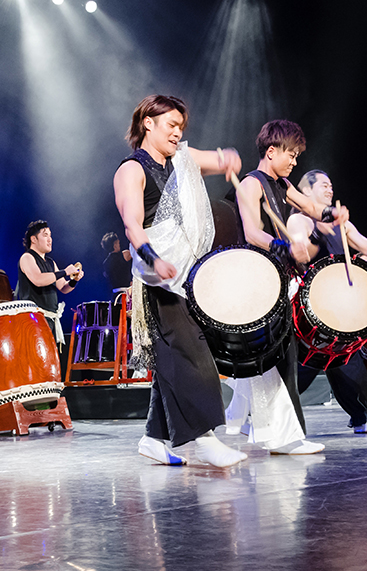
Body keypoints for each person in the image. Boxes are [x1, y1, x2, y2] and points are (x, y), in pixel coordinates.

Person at [113, 94, 246, 468]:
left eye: (181, 128)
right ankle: (205, 438)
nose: (177, 133)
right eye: (171, 125)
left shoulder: (181, 161)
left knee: (173, 357)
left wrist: (227, 159)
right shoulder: (131, 170)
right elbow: (133, 225)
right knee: (189, 352)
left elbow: (216, 159)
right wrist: (153, 258)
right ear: (148, 124)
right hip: (157, 278)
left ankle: (154, 439)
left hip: (187, 275)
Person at [229, 119, 348, 455]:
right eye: (291, 154)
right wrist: (285, 248)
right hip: (258, 276)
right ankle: (282, 437)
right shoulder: (251, 185)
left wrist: (330, 213)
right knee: (277, 357)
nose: (295, 161)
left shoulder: (281, 184)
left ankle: (253, 422)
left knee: (278, 356)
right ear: (271, 151)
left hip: (277, 277)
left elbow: (310, 207)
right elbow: (253, 233)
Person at [286, 169, 367, 433]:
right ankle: (268, 417)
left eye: (331, 185)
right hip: (310, 305)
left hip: (338, 303)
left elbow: (366, 245)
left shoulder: (341, 224)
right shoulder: (300, 220)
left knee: (345, 354)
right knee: (308, 361)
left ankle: (362, 418)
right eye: (323, 185)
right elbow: (299, 253)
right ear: (306, 191)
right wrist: (317, 234)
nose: (329, 189)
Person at [14, 220, 83, 343]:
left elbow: (63, 287)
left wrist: (74, 280)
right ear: (34, 239)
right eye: (45, 235)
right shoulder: (27, 257)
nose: (50, 239)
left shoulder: (51, 262)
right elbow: (38, 279)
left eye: (50, 236)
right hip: (33, 320)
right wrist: (65, 272)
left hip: (49, 319)